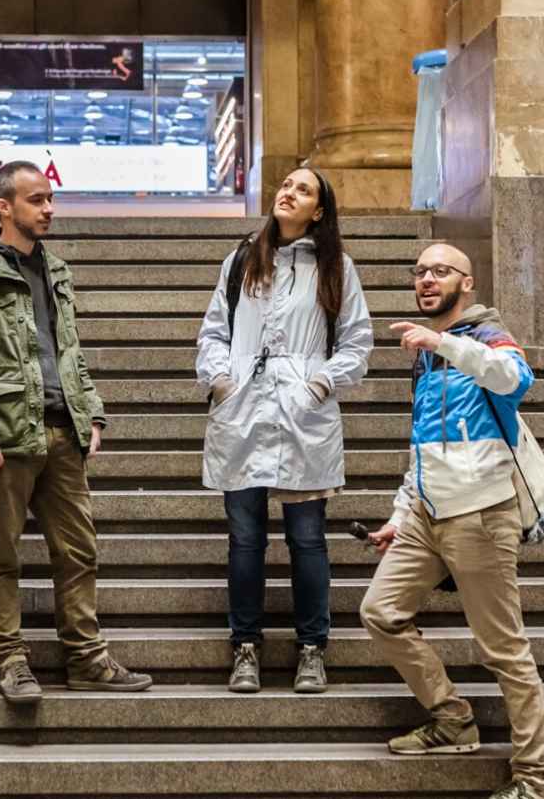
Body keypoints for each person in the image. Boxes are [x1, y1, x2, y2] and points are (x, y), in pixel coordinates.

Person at [0, 160, 152, 705]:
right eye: (37, 200)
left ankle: (85, 658)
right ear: (4, 207)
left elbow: (70, 352)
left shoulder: (55, 269)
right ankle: (11, 660)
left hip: (64, 431)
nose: (49, 209)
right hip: (7, 435)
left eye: (50, 199)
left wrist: (94, 412)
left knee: (79, 550)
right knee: (0, 554)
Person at [360, 244, 544, 799]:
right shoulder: (424, 355)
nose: (426, 280)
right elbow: (423, 445)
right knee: (380, 612)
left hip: (482, 513)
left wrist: (445, 341)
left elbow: (516, 380)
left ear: (466, 284)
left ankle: (535, 781)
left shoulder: (488, 336)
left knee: (503, 649)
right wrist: (401, 513)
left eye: (440, 271)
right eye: (419, 272)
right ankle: (453, 718)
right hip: (427, 511)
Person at [195, 167, 371, 695]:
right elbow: (213, 332)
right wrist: (221, 380)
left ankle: (312, 649)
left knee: (307, 538)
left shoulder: (335, 267)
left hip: (302, 413)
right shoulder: (241, 260)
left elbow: (358, 342)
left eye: (303, 190)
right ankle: (245, 646)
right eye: (286, 186)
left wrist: (318, 383)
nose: (288, 193)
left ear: (319, 211)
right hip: (243, 408)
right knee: (245, 539)